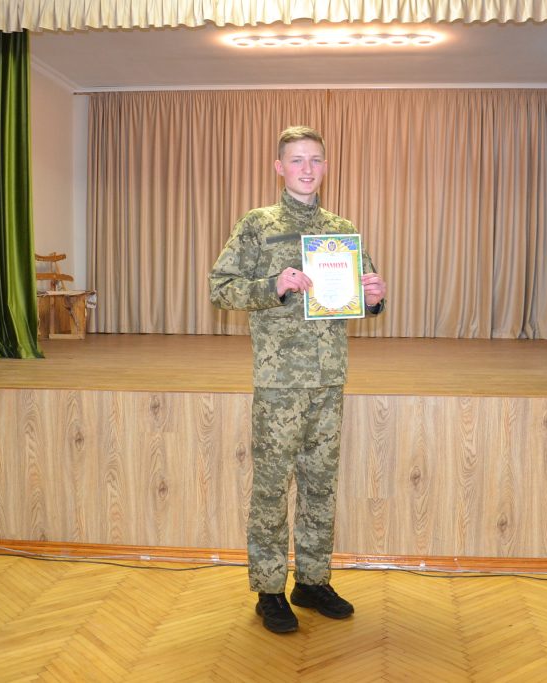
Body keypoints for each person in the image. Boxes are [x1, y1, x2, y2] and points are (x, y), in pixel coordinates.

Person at [208, 126, 387, 634]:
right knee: (271, 488)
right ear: (279, 167)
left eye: (315, 159)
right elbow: (220, 288)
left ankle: (311, 581)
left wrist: (374, 296)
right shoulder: (257, 224)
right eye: (297, 160)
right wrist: (274, 285)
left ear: (326, 166)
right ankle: (269, 590)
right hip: (280, 381)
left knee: (320, 486)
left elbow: (358, 297)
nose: (307, 169)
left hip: (329, 380)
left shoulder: (340, 229)